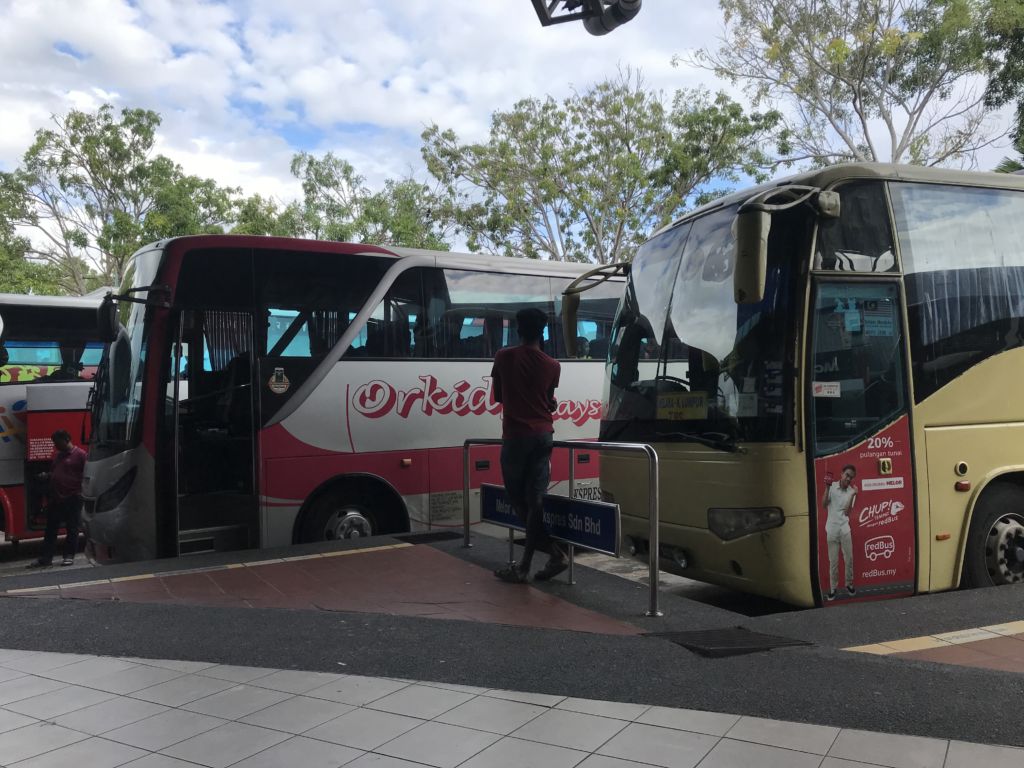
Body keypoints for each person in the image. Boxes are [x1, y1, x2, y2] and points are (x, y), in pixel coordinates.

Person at [490, 307, 568, 584]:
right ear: (543, 331)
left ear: (518, 329)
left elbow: (499, 396)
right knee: (535, 501)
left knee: (519, 501)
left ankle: (532, 563)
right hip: (543, 435)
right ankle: (547, 558)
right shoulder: (552, 365)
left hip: (515, 436)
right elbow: (548, 401)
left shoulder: (503, 356)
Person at [27, 430, 86, 568]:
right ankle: (46, 559)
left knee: (72, 528)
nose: (55, 446)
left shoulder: (80, 455)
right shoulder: (58, 455)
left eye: (57, 443)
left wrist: (81, 492)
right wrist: (47, 475)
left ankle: (69, 556)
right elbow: (56, 471)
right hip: (56, 498)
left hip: (73, 497)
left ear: (66, 439)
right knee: (50, 530)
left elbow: (86, 474)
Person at [821, 464, 858, 600]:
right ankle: (833, 588)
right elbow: (824, 505)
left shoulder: (851, 492)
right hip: (831, 530)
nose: (848, 478)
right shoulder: (831, 487)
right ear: (842, 473)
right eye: (847, 475)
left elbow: (847, 512)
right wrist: (827, 487)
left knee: (849, 559)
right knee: (833, 561)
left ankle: (849, 584)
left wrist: (853, 494)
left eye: (851, 477)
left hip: (845, 530)